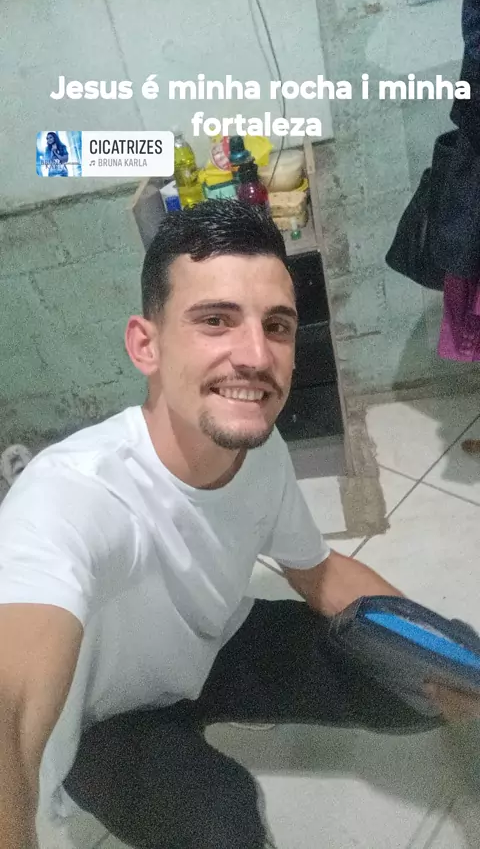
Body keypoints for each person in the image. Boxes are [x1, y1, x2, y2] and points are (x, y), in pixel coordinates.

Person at [0, 200, 478, 849]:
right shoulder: (72, 493)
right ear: (146, 344)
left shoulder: (259, 452)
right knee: (223, 825)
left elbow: (321, 574)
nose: (256, 354)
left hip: (215, 643)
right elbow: (13, 702)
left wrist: (434, 654)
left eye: (276, 325)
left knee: (416, 689)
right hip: (106, 718)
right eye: (215, 320)